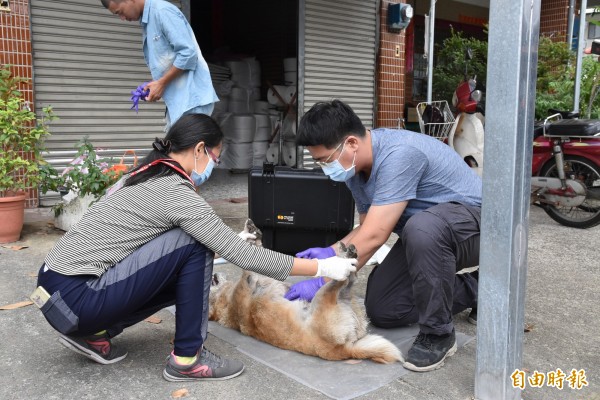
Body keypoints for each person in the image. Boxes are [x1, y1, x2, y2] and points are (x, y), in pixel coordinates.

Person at [35, 114, 357, 382]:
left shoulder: (141, 175)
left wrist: (220, 242)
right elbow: (239, 254)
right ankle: (188, 358)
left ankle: (96, 335)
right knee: (195, 244)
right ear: (200, 149)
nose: (213, 166)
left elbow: (147, 249)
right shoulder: (174, 189)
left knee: (191, 254)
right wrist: (321, 268)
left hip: (56, 291)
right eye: (215, 158)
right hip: (79, 300)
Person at [286, 99, 481, 372]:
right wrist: (331, 252)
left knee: (421, 227)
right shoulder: (356, 170)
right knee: (385, 308)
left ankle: (439, 334)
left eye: (325, 160)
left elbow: (376, 235)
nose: (324, 168)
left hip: (476, 228)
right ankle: (480, 290)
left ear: (351, 143)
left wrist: (323, 279)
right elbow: (367, 229)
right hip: (427, 236)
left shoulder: (399, 155)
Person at [100, 0, 219, 128]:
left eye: (120, 12)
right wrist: (156, 85)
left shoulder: (162, 12)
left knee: (190, 147)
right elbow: (169, 62)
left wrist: (162, 83)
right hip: (180, 104)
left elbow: (188, 54)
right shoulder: (148, 21)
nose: (122, 18)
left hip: (192, 102)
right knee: (175, 146)